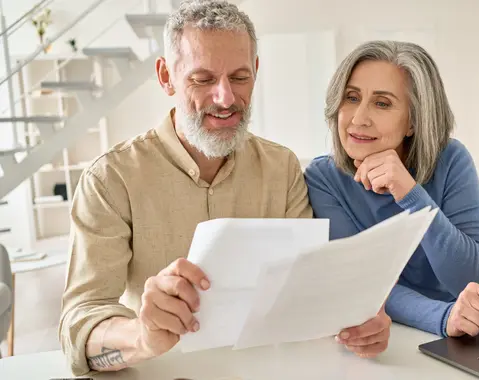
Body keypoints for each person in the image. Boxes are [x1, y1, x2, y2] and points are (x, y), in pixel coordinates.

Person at [58, 1, 315, 375]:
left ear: (256, 71)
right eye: (203, 79)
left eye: (240, 77)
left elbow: (306, 289)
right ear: (166, 77)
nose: (225, 98)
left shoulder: (283, 168)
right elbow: (79, 327)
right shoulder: (110, 180)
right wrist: (141, 336)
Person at [304, 40, 479, 357]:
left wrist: (413, 195)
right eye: (352, 97)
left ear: (413, 120)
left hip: (456, 341)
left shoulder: (451, 159)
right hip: (383, 341)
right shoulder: (324, 178)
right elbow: (359, 282)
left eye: (382, 103)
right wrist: (442, 317)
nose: (359, 118)